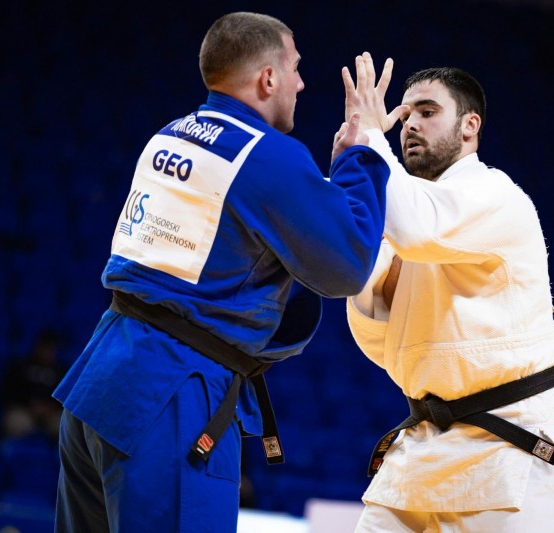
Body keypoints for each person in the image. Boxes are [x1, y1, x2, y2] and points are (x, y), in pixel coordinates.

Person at [52, 14, 390, 533]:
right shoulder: (266, 155)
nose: (302, 82)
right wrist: (362, 153)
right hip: (171, 397)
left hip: (101, 381)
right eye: (295, 68)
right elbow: (347, 266)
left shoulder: (170, 135)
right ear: (268, 78)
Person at [341, 53, 554, 531]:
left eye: (428, 112)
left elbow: (419, 231)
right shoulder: (409, 211)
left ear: (470, 126)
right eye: (403, 117)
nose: (410, 125)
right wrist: (351, 168)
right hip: (424, 446)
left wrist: (371, 138)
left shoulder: (496, 195)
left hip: (511, 442)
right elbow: (380, 334)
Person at [0, 328, 67, 442]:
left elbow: (66, 399)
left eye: (50, 349)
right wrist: (30, 404)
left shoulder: (60, 372)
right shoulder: (21, 367)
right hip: (24, 411)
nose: (47, 352)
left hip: (50, 414)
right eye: (44, 348)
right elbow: (8, 392)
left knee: (66, 427)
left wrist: (49, 408)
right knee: (15, 423)